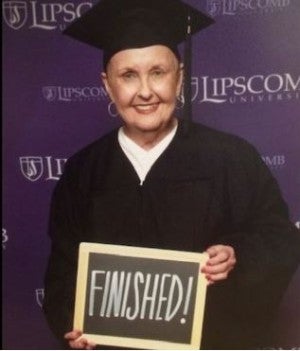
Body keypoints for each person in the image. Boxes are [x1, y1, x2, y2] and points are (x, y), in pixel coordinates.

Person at [43, 0, 300, 349]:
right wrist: (70, 324)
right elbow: (63, 273)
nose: (145, 91)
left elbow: (279, 238)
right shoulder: (83, 172)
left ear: (179, 78)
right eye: (128, 75)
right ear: (108, 85)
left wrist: (237, 255)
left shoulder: (231, 158)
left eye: (158, 72)